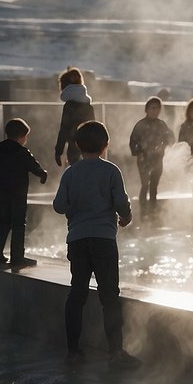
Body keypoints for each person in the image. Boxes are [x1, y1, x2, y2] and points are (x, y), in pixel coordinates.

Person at [52, 120, 137, 363]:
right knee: (109, 296)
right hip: (104, 240)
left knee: (77, 294)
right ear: (105, 145)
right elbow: (121, 202)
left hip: (77, 240)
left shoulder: (70, 172)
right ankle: (116, 352)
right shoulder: (111, 171)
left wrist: (75, 205)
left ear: (77, 146)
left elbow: (58, 206)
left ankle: (73, 351)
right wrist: (126, 216)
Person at [0, 117, 48, 269]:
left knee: (3, 224)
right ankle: (17, 257)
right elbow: (34, 167)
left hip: (0, 195)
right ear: (21, 136)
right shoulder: (22, 153)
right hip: (17, 195)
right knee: (18, 224)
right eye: (26, 136)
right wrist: (43, 175)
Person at [129, 97, 174, 213]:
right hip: (144, 158)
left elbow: (170, 138)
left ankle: (153, 212)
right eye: (152, 108)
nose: (155, 111)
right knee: (145, 185)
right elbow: (133, 141)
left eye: (157, 108)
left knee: (154, 186)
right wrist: (138, 153)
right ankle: (143, 212)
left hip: (157, 159)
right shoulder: (140, 125)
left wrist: (163, 147)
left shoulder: (161, 125)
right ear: (147, 109)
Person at [54, 67, 96, 167]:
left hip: (73, 149)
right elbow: (94, 129)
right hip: (89, 150)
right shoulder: (88, 105)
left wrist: (58, 151)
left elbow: (64, 129)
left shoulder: (69, 106)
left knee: (74, 176)